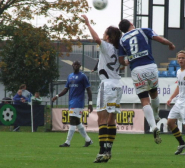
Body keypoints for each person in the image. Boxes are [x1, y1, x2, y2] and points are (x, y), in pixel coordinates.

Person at [118, 19, 175, 144]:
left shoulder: (122, 40)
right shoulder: (143, 30)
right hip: (150, 66)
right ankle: (156, 115)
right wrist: (170, 44)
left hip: (137, 70)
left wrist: (127, 62)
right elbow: (159, 39)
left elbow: (121, 60)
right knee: (154, 94)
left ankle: (153, 126)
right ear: (131, 24)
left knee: (144, 100)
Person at [82, 15, 123, 163]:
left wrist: (88, 24)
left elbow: (96, 40)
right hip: (118, 84)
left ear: (109, 36)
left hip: (108, 85)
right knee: (111, 120)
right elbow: (124, 63)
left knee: (102, 119)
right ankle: (108, 151)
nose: (104, 35)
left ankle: (101, 151)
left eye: (105, 33)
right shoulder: (119, 50)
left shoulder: (107, 46)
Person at [52, 60, 93, 148]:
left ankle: (67, 142)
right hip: (71, 102)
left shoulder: (83, 76)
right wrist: (57, 96)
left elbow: (89, 90)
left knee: (72, 120)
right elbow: (66, 89)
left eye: (78, 64)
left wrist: (90, 103)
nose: (76, 65)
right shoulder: (70, 76)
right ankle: (88, 140)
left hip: (78, 101)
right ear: (72, 65)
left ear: (80, 66)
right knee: (77, 121)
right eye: (75, 64)